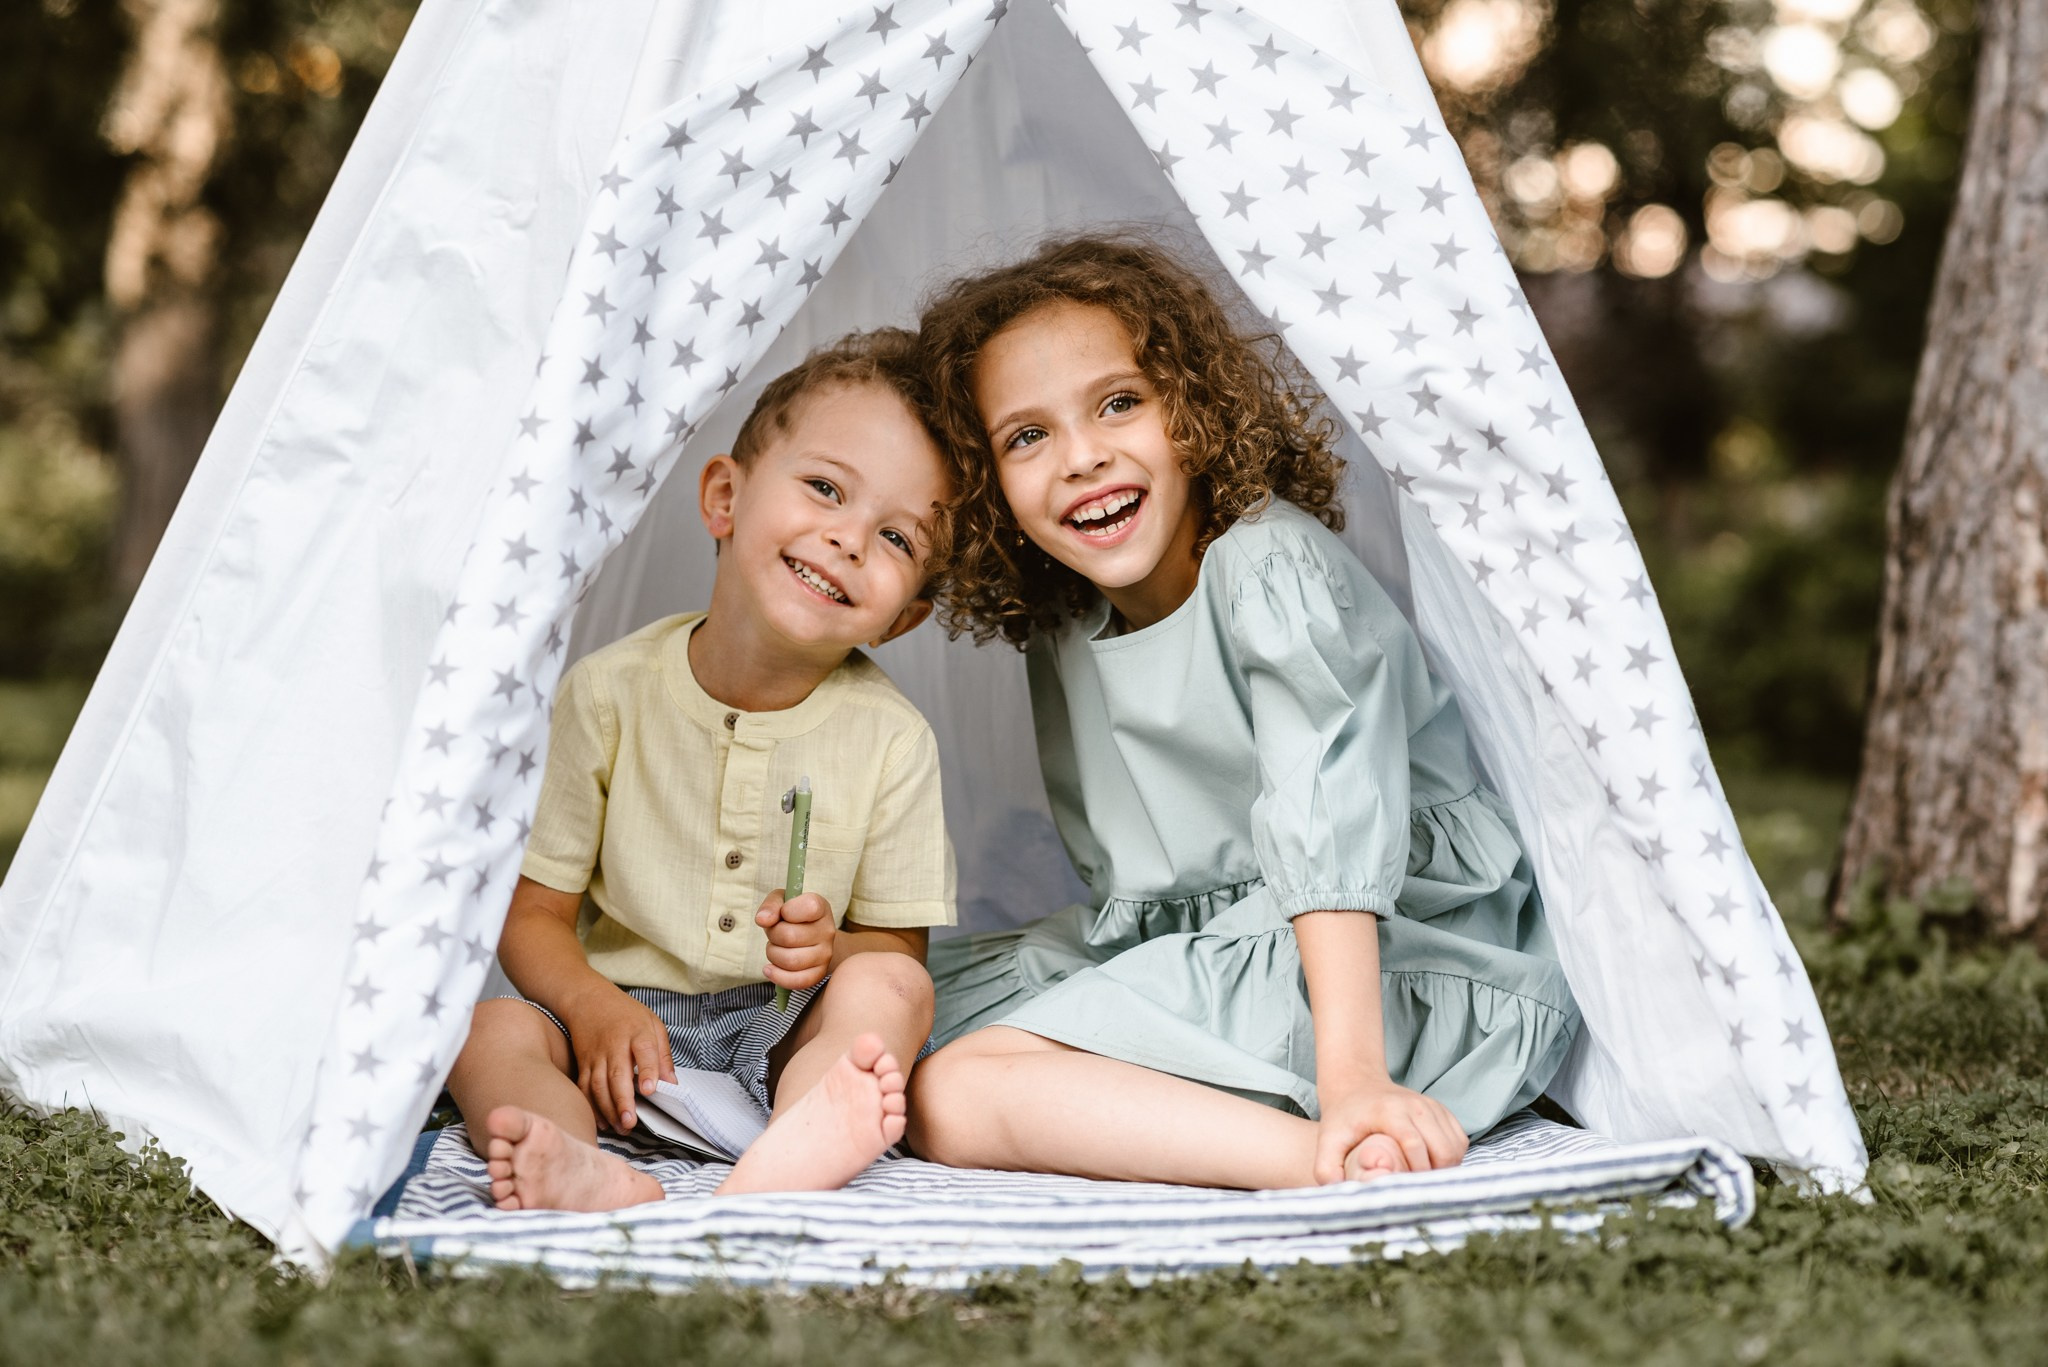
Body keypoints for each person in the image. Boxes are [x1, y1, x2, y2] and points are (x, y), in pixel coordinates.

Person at [905, 236, 1579, 1188]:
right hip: (1227, 944)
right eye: (1027, 436)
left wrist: (1354, 1083)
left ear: (1194, 408)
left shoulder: (1267, 565)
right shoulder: (1066, 619)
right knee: (899, 1014)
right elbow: (1141, 892)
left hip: (1389, 959)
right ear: (985, 482)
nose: (1083, 456)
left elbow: (1329, 831)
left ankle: (1338, 1159)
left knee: (954, 1096)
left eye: (1119, 403)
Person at [448, 329, 957, 1212]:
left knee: (892, 989)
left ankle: (804, 1136)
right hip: (619, 1029)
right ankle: (578, 1161)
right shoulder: (607, 694)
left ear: (901, 618)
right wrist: (591, 1004)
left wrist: (832, 947)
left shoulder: (893, 740)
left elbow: (898, 948)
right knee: (486, 1030)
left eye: (895, 538)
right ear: (725, 496)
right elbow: (534, 914)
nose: (846, 540)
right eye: (826, 489)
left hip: (781, 1034)